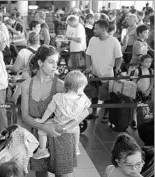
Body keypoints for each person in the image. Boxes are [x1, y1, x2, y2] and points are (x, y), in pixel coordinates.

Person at [21, 44, 89, 177]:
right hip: (39, 137)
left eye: (56, 63)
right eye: (51, 62)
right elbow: (25, 116)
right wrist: (44, 127)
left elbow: (86, 110)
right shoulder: (26, 85)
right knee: (41, 175)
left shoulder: (60, 85)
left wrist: (66, 127)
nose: (55, 66)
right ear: (40, 63)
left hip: (61, 135)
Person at [33, 70, 91, 159]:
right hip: (72, 128)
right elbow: (88, 105)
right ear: (79, 87)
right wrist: (81, 92)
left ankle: (42, 150)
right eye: (83, 87)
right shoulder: (83, 100)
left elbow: (49, 110)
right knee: (77, 128)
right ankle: (75, 148)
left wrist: (42, 120)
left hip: (57, 124)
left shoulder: (58, 97)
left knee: (41, 130)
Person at [85, 19, 123, 123]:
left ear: (104, 29)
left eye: (96, 28)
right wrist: (88, 67)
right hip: (94, 73)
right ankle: (94, 112)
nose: (93, 30)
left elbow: (119, 57)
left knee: (106, 96)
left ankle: (106, 114)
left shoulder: (114, 41)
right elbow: (88, 54)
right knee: (93, 94)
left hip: (107, 75)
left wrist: (118, 67)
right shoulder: (93, 40)